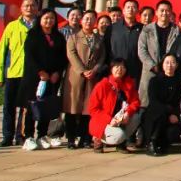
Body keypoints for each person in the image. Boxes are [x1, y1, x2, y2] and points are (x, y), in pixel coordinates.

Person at [18, 8, 68, 150]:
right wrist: (40, 72)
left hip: (52, 79)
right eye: (46, 18)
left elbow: (63, 57)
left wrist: (57, 72)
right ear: (40, 19)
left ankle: (42, 135)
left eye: (52, 18)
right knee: (31, 107)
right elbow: (29, 56)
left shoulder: (58, 37)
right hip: (34, 78)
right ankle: (28, 136)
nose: (49, 21)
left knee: (46, 107)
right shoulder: (33, 35)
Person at [0, 0, 38, 147]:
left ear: (37, 8)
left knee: (27, 108)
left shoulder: (40, 27)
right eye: (26, 5)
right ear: (21, 8)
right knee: (9, 106)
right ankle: (7, 136)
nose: (29, 8)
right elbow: (2, 51)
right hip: (13, 72)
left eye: (32, 5)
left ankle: (22, 136)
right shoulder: (12, 26)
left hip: (31, 74)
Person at [64, 9, 107, 149]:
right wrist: (82, 70)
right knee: (72, 107)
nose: (89, 21)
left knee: (88, 109)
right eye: (86, 18)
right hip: (75, 77)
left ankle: (85, 139)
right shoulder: (74, 37)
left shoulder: (98, 39)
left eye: (92, 19)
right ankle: (71, 139)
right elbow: (71, 55)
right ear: (82, 21)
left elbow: (102, 57)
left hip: (92, 77)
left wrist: (95, 70)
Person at [87, 58, 141, 153]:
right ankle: (98, 139)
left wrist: (128, 113)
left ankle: (121, 143)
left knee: (136, 117)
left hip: (121, 118)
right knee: (119, 135)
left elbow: (135, 101)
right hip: (103, 122)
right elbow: (93, 109)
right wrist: (109, 120)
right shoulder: (102, 85)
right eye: (117, 67)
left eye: (123, 67)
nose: (120, 69)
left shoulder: (129, 83)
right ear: (111, 69)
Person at [137, 0, 181, 106]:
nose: (164, 13)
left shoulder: (176, 30)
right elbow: (142, 50)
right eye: (162, 10)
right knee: (147, 103)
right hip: (151, 70)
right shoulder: (147, 29)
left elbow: (179, 50)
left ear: (171, 12)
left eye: (167, 10)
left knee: (167, 102)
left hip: (169, 71)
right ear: (156, 12)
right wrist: (153, 65)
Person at [142, 53, 181, 155]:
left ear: (177, 65)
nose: (169, 65)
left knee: (173, 133)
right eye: (167, 62)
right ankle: (152, 142)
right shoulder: (155, 81)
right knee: (159, 113)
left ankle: (162, 144)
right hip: (156, 114)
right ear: (162, 64)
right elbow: (153, 101)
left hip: (173, 114)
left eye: (173, 62)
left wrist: (175, 114)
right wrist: (167, 112)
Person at [109, 0, 144, 87]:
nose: (130, 9)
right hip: (115, 70)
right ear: (123, 10)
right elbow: (106, 48)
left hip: (135, 70)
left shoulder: (143, 29)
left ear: (137, 11)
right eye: (128, 7)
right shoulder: (112, 28)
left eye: (133, 7)